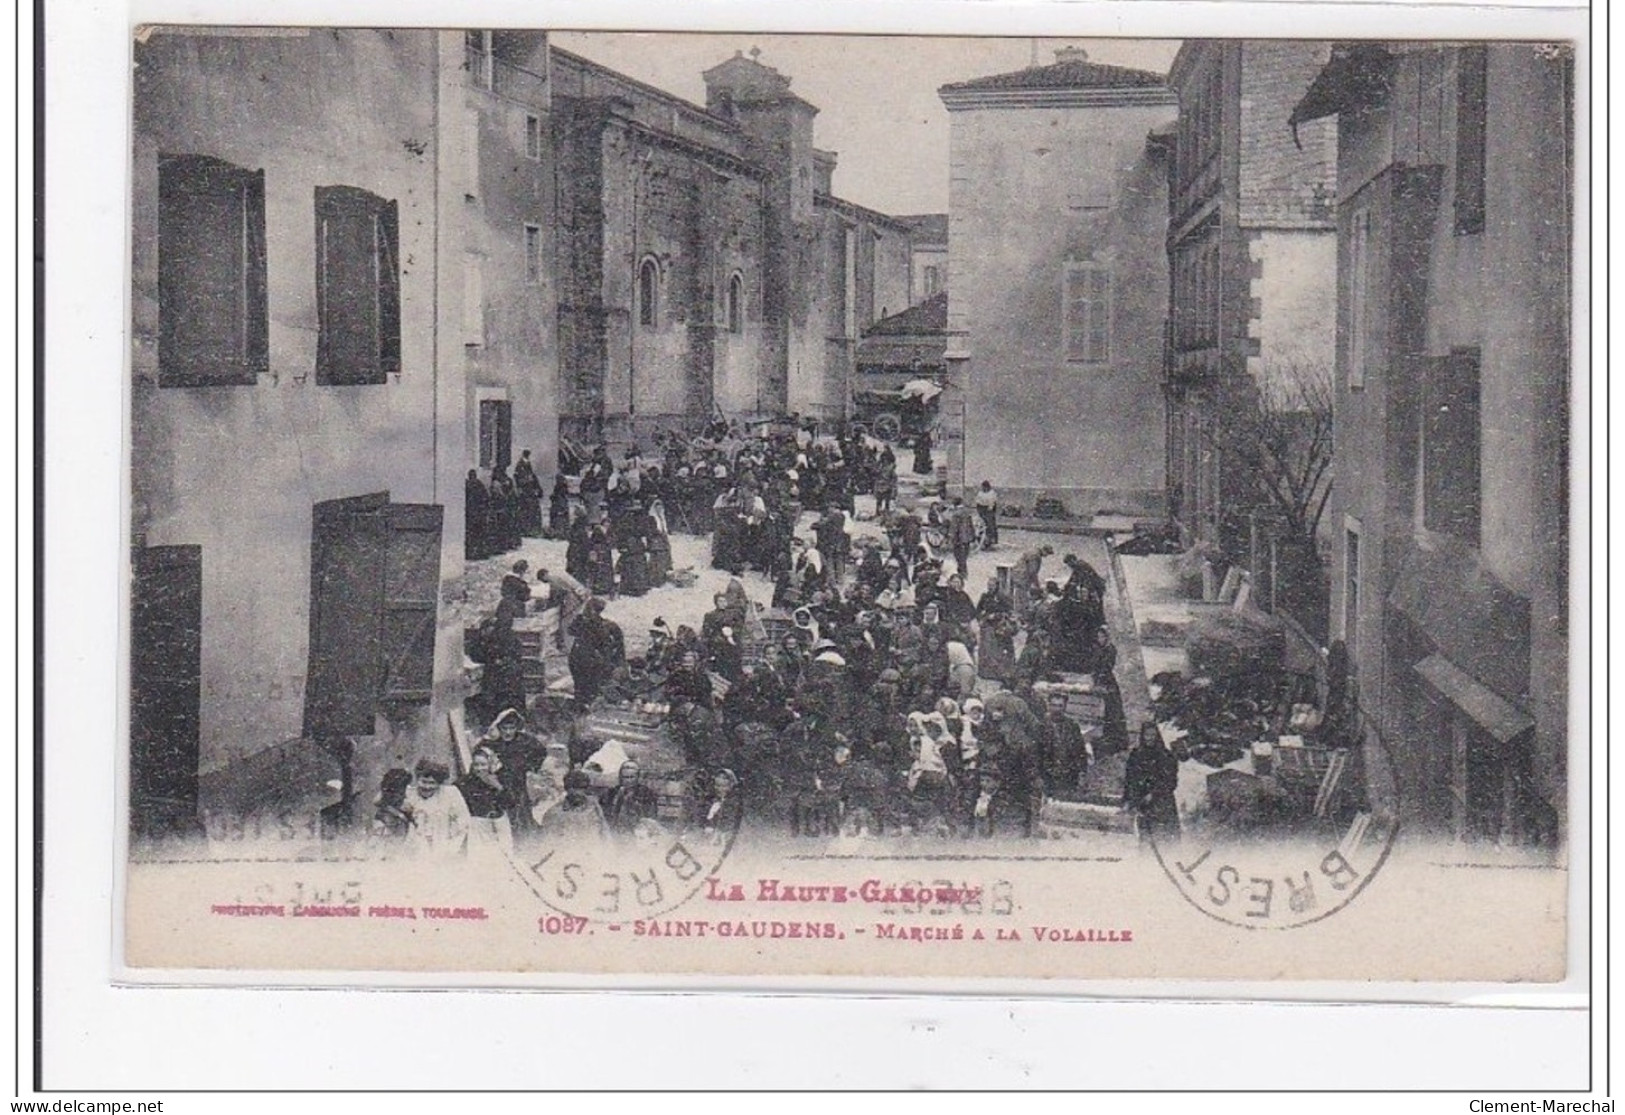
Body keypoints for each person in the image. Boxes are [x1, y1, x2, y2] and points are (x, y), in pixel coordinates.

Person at [402, 759, 470, 859]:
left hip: (443, 848)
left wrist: (451, 850)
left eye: (432, 783)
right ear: (417, 779)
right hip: (415, 850)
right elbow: (379, 800)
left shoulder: (450, 793)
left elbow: (463, 824)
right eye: (423, 782)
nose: (427, 787)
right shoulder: (409, 793)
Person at [1124, 722, 1180, 843]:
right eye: (1147, 735)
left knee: (1164, 840)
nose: (1150, 738)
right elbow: (1129, 778)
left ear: (1157, 736)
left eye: (1153, 735)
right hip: (1143, 804)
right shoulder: (1136, 755)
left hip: (1162, 805)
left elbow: (1171, 781)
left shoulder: (1166, 756)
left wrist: (1154, 794)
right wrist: (1128, 799)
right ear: (1142, 736)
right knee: (1146, 839)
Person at [458, 745, 515, 856]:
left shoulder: (500, 779)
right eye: (476, 765)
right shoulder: (464, 783)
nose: (480, 769)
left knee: (505, 857)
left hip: (500, 825)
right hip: (477, 827)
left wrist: (497, 786)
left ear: (490, 765)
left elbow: (511, 803)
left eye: (483, 765)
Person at [535, 769, 609, 843]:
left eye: (583, 788)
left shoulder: (594, 808)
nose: (579, 792)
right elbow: (548, 841)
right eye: (574, 788)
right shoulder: (554, 813)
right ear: (567, 789)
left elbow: (605, 834)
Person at [538, 567, 590, 652]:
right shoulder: (558, 573)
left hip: (573, 599)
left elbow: (557, 593)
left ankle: (567, 647)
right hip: (579, 596)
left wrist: (547, 604)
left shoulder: (553, 578)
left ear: (544, 575)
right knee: (573, 620)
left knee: (566, 623)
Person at [370, 768, 414, 845]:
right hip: (385, 827)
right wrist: (398, 813)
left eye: (402, 792)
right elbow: (377, 801)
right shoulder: (384, 796)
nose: (403, 795)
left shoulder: (407, 797)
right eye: (398, 792)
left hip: (399, 829)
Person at [513, 449, 544, 538]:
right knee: (526, 511)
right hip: (525, 493)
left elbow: (532, 478)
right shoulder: (520, 465)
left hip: (529, 492)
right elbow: (519, 478)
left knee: (531, 511)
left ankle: (531, 529)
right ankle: (526, 529)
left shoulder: (527, 465)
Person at [947, 497, 979, 582]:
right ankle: (963, 572)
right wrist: (973, 536)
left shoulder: (956, 514)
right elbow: (971, 525)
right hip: (967, 538)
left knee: (958, 556)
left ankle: (962, 572)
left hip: (959, 539)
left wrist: (950, 537)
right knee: (964, 556)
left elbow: (954, 528)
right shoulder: (967, 512)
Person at [464, 469, 490, 561]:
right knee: (479, 535)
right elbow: (486, 498)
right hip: (478, 514)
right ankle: (480, 553)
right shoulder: (479, 484)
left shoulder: (467, 485)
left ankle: (471, 553)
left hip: (472, 514)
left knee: (472, 535)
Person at [973, 480, 1000, 549]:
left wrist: (990, 510)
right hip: (981, 509)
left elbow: (992, 503)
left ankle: (991, 541)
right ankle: (982, 541)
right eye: (982, 487)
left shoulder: (992, 493)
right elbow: (977, 501)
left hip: (988, 510)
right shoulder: (980, 493)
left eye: (984, 487)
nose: (983, 489)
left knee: (990, 525)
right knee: (981, 525)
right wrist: (979, 510)